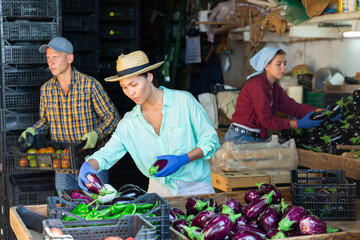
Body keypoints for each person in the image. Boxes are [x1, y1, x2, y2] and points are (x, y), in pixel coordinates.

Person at [77, 50, 220, 197]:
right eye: (124, 87)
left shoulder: (184, 102)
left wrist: (184, 158)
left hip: (197, 188)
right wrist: (88, 165)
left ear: (149, 77)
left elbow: (211, 141)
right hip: (159, 191)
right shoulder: (129, 124)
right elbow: (106, 155)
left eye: (134, 84)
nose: (130, 92)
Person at [18, 37, 120, 196]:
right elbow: (45, 121)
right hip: (63, 164)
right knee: (66, 208)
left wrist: (97, 133)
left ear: (69, 58)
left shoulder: (90, 85)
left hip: (91, 162)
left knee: (99, 206)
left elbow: (113, 117)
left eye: (56, 57)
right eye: (48, 58)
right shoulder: (46, 90)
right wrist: (33, 130)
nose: (51, 62)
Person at [225, 47, 325, 142]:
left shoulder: (274, 87)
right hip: (241, 138)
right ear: (266, 66)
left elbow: (293, 107)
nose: (283, 68)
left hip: (256, 137)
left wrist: (321, 112)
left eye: (284, 64)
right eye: (278, 64)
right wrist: (297, 123)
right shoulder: (258, 85)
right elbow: (267, 121)